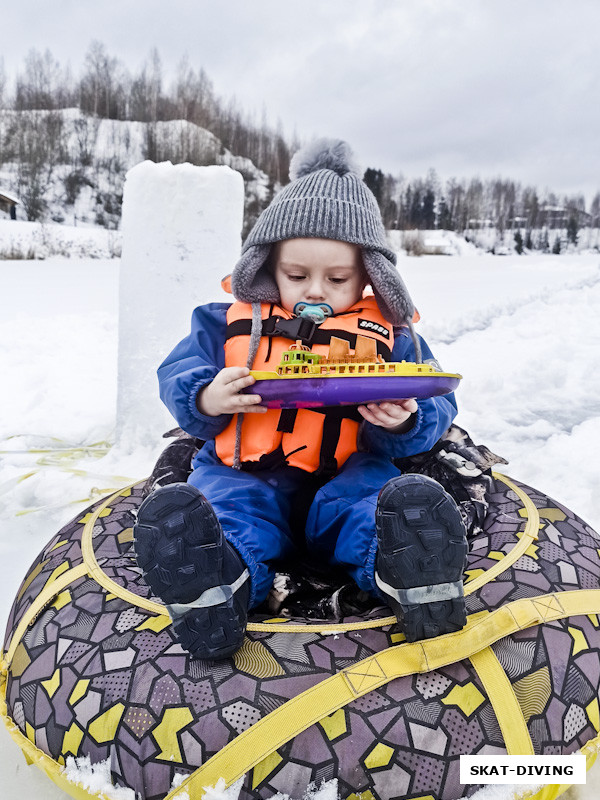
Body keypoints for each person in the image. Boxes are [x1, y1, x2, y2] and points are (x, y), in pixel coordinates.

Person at [133, 139, 468, 661]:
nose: (315, 292)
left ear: (368, 276)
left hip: (349, 467)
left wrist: (404, 420)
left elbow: (434, 397)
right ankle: (215, 583)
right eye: (296, 276)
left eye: (337, 279)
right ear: (267, 267)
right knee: (225, 508)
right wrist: (205, 394)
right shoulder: (223, 320)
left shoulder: (390, 333)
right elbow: (178, 369)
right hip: (245, 466)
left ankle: (409, 571)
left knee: (371, 507)